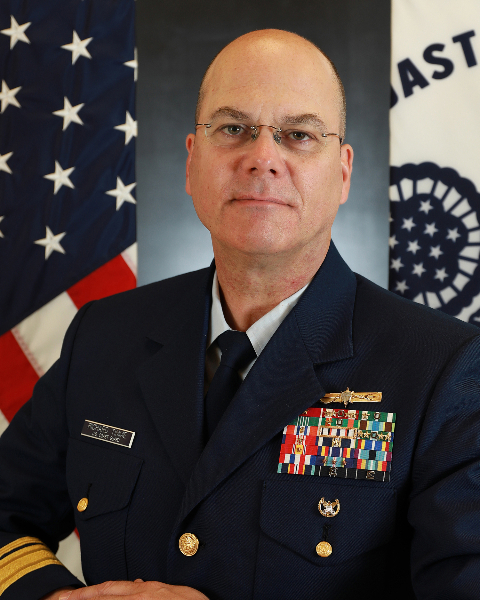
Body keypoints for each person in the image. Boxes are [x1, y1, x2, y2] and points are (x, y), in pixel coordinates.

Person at [1, 29, 480, 600]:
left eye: (299, 135)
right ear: (191, 161)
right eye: (233, 129)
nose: (262, 158)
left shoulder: (442, 369)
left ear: (344, 173)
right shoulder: (104, 336)